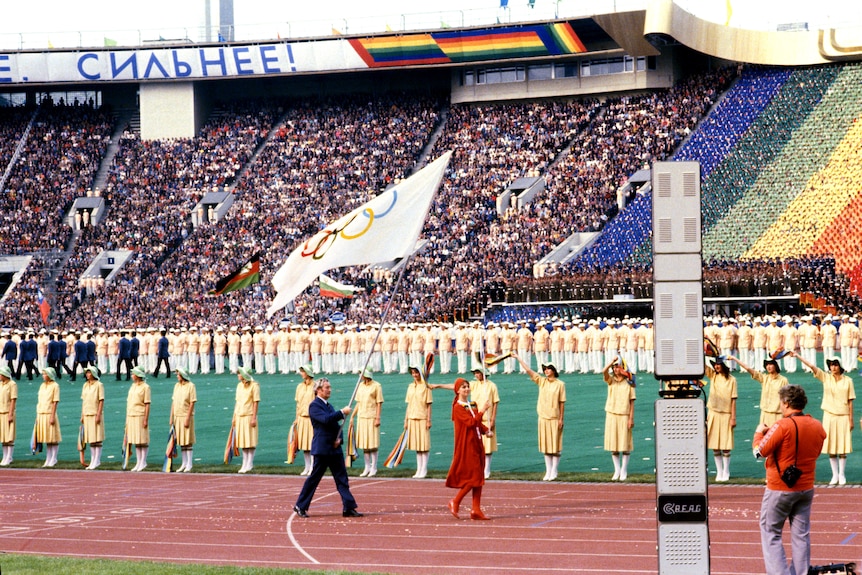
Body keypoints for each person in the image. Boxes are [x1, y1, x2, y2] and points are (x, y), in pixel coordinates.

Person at [753, 385, 825, 575]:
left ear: (786, 403)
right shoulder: (818, 426)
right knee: (801, 535)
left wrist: (759, 433)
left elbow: (759, 452)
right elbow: (816, 452)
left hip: (779, 487)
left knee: (771, 531)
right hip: (806, 486)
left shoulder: (782, 425)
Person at [293, 378, 363, 518]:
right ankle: (300, 505)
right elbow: (326, 419)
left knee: (342, 478)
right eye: (327, 387)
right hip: (322, 449)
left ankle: (348, 507)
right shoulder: (314, 406)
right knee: (314, 478)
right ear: (318, 390)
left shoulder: (328, 405)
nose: (329, 389)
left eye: (329, 387)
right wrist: (342, 412)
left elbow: (337, 426)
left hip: (334, 449)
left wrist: (339, 439)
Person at [794, 353, 855, 485]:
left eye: (835, 364)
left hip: (843, 415)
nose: (833, 367)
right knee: (831, 445)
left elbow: (850, 402)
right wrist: (798, 356)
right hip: (829, 415)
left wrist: (851, 419)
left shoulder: (848, 381)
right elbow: (812, 366)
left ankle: (842, 474)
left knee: (843, 446)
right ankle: (834, 475)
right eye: (831, 364)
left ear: (840, 366)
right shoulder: (826, 378)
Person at [445, 378, 492, 520]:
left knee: (479, 476)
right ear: (457, 390)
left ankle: (476, 509)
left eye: (467, 386)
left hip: (477, 442)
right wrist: (482, 411)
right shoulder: (458, 407)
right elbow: (471, 423)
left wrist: (485, 430)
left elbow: (477, 424)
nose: (466, 389)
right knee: (474, 477)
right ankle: (456, 500)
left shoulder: (472, 404)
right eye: (463, 387)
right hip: (467, 445)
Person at [513, 354, 565, 481]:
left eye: (549, 368)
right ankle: (548, 470)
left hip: (554, 417)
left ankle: (554, 470)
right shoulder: (542, 381)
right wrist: (519, 358)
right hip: (543, 416)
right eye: (545, 369)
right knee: (546, 446)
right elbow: (529, 371)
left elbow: (562, 402)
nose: (546, 371)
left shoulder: (560, 384)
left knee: (555, 446)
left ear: (554, 370)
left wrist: (561, 419)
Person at [602, 357, 636, 481]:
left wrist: (631, 418)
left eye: (618, 366)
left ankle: (624, 469)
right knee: (614, 444)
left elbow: (632, 402)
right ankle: (616, 470)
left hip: (624, 414)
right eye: (614, 367)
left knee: (625, 444)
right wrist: (611, 362)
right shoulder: (612, 381)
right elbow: (603, 372)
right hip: (612, 413)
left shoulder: (629, 382)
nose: (616, 369)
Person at [704, 356, 738, 481]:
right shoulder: (713, 376)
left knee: (726, 444)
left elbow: (733, 400)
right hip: (713, 412)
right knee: (715, 443)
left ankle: (726, 470)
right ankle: (719, 471)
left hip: (726, 413)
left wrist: (733, 417)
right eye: (715, 364)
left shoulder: (732, 380)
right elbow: (703, 366)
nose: (716, 367)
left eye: (719, 364)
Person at [731, 354, 787, 426]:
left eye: (770, 364)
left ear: (775, 365)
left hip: (778, 415)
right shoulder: (764, 378)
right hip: (765, 414)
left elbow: (787, 398)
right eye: (767, 365)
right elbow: (748, 369)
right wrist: (735, 359)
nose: (768, 367)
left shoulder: (783, 380)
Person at [353, 368, 383, 477]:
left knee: (372, 443)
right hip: (362, 417)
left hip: (371, 416)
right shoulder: (360, 385)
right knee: (364, 443)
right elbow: (358, 402)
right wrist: (352, 416)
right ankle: (367, 466)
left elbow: (379, 403)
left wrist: (378, 417)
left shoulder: (376, 386)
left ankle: (374, 466)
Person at [404, 365, 433, 478]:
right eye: (413, 373)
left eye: (416, 373)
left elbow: (429, 404)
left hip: (422, 417)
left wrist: (428, 420)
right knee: (417, 445)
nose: (415, 375)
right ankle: (419, 469)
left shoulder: (426, 387)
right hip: (412, 417)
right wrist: (406, 420)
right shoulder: (410, 386)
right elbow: (409, 404)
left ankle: (424, 468)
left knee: (423, 445)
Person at [234, 366, 260, 473]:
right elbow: (237, 402)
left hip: (249, 415)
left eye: (239, 373)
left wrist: (254, 417)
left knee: (250, 440)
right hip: (240, 415)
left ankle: (250, 462)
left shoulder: (255, 386)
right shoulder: (239, 386)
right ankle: (244, 462)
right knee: (243, 441)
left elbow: (255, 402)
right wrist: (234, 416)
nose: (238, 375)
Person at [170, 368, 197, 472]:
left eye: (178, 374)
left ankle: (189, 463)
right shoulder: (176, 386)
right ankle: (184, 463)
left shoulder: (191, 386)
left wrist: (187, 418)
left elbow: (192, 403)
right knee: (181, 440)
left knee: (187, 440)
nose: (177, 376)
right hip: (177, 416)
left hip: (186, 415)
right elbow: (173, 402)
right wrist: (171, 417)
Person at [35, 367, 62, 467]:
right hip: (41, 412)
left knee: (53, 437)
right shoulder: (42, 386)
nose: (43, 376)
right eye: (43, 374)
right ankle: (48, 458)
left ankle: (54, 458)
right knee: (46, 437)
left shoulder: (55, 386)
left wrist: (52, 415)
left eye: (45, 374)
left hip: (49, 413)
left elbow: (55, 402)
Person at [126, 366, 151, 471]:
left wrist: (145, 419)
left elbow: (147, 404)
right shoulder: (133, 386)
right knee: (136, 439)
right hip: (131, 415)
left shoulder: (146, 387)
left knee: (142, 439)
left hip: (140, 414)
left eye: (133, 374)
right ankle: (138, 461)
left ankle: (143, 461)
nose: (132, 376)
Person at [80, 366, 105, 469]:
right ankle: (92, 459)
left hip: (95, 413)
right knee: (90, 438)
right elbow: (84, 401)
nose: (87, 374)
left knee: (97, 438)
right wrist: (82, 414)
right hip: (87, 413)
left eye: (89, 373)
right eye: (86, 373)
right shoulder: (85, 385)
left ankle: (97, 460)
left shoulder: (99, 385)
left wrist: (98, 414)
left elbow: (101, 400)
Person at [294, 364, 316, 475]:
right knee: (304, 444)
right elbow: (298, 404)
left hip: (311, 418)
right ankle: (306, 466)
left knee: (312, 443)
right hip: (302, 417)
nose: (301, 373)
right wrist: (296, 418)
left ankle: (313, 466)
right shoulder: (299, 386)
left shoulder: (315, 386)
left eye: (303, 371)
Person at [0, 365, 17, 466]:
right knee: (3, 436)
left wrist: (10, 413)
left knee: (9, 436)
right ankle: (5, 456)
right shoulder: (1, 385)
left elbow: (13, 399)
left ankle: (9, 456)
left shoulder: (12, 384)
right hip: (1, 412)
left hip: (8, 412)